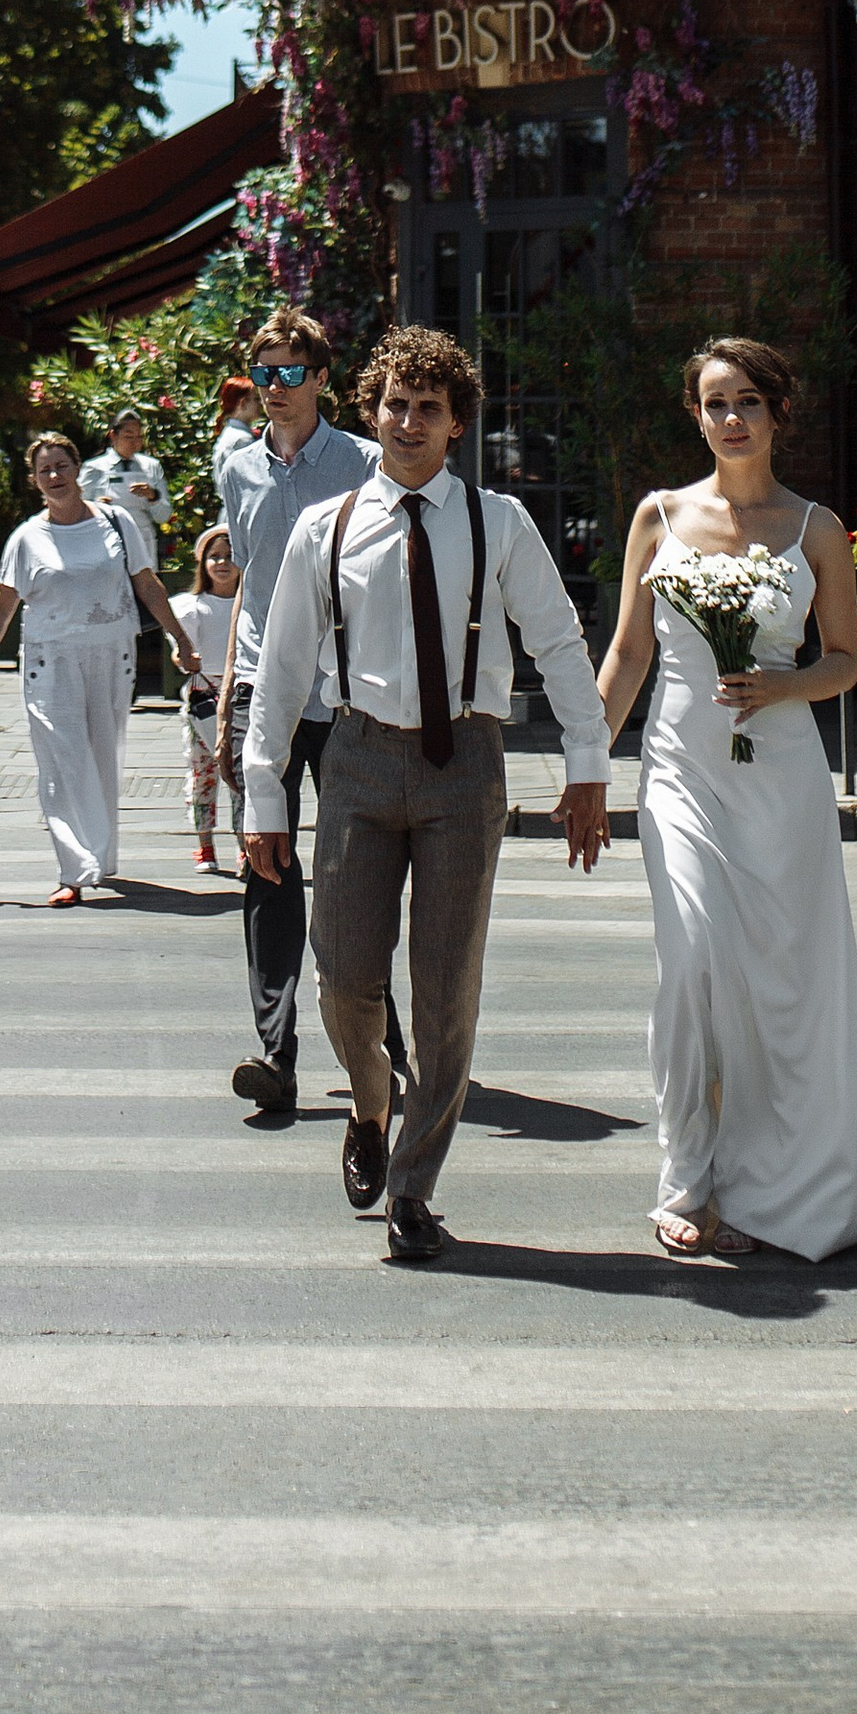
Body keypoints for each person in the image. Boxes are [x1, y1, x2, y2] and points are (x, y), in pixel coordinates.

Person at [242, 323, 611, 1267]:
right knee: (343, 976)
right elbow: (283, 673)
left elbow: (560, 645)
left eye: (429, 409)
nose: (409, 422)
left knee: (444, 991)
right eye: (395, 405)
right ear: (372, 413)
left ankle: (413, 1187)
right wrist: (263, 799)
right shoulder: (326, 529)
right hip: (358, 757)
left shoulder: (499, 522)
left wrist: (587, 764)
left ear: (456, 427)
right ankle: (370, 1103)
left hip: (466, 764)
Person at [597, 335, 857, 1263]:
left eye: (747, 401)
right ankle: (687, 1176)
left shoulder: (817, 530)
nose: (730, 419)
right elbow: (632, 654)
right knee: (691, 966)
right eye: (715, 403)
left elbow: (843, 661)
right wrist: (584, 765)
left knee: (779, 986)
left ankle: (771, 1175)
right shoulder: (659, 517)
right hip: (680, 771)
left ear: (776, 412)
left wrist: (782, 683)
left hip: (782, 776)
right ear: (697, 415)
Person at [212, 307, 393, 1122]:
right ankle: (275, 1053)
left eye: (290, 374)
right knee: (267, 864)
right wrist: (227, 695)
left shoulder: (364, 462)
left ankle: (386, 1047)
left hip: (346, 690)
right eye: (263, 374)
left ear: (322, 379)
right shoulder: (237, 468)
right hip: (262, 690)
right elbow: (249, 583)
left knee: (360, 871)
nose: (274, 390)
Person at [0, 432, 201, 902]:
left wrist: (181, 637)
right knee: (61, 759)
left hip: (112, 653)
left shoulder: (117, 521)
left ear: (78, 471)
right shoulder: (27, 538)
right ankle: (74, 868)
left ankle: (101, 856)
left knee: (102, 753)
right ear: (34, 480)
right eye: (45, 469)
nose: (55, 476)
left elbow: (147, 585)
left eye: (62, 466)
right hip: (51, 660)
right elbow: (1, 604)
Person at [80, 403, 171, 695]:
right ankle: (105, 680)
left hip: (141, 546)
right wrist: (98, 506)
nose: (134, 441)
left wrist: (153, 496)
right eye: (128, 435)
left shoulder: (151, 467)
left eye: (138, 436)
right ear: (113, 435)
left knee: (138, 615)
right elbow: (78, 510)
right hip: (105, 548)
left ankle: (134, 683)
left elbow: (165, 515)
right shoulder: (94, 469)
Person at [173, 527, 241, 870]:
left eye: (229, 556)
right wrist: (184, 657)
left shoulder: (252, 606)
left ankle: (245, 842)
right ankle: (205, 843)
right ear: (202, 563)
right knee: (203, 772)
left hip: (241, 695)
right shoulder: (194, 607)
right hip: (203, 697)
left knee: (242, 773)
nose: (222, 563)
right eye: (214, 556)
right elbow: (180, 651)